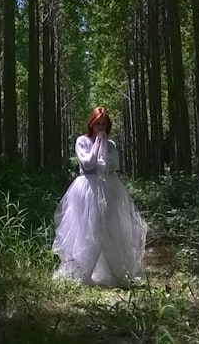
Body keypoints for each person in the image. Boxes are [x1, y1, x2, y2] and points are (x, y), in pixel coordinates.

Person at [52, 106, 147, 287]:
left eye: (103, 125)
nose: (100, 128)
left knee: (110, 228)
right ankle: (82, 273)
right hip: (86, 190)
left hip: (109, 189)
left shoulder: (111, 145)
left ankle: (117, 273)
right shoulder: (82, 141)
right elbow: (88, 164)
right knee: (88, 230)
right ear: (91, 124)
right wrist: (97, 144)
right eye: (97, 125)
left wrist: (104, 144)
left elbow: (113, 166)